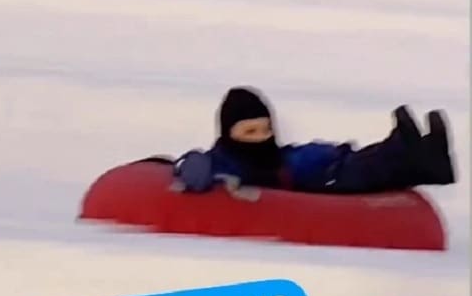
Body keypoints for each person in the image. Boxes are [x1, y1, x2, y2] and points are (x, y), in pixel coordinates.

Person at [173, 87, 456, 195]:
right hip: (311, 183)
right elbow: (191, 168)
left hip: (309, 168)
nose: (261, 138)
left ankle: (425, 153)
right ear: (228, 134)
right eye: (250, 132)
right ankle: (407, 152)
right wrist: (195, 168)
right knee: (359, 171)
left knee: (350, 162)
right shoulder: (220, 161)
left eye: (266, 129)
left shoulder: (275, 155)